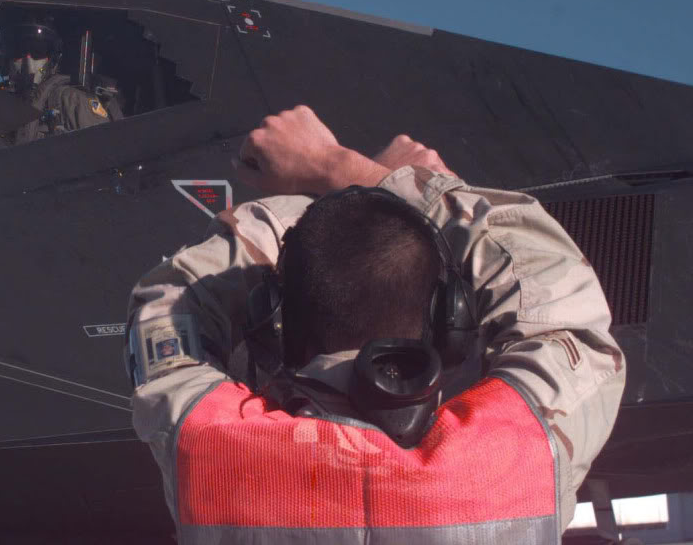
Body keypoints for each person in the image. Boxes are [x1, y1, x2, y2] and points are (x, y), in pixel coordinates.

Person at [126, 105, 625, 543]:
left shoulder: (211, 449)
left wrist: (298, 208)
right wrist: (349, 172)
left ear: (275, 311)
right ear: (445, 320)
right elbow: (557, 298)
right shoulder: (521, 455)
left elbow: (168, 304)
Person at [0, 14, 111, 144]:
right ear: (5, 60)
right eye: (18, 51)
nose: (29, 63)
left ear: (53, 60)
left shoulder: (72, 102)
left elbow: (106, 154)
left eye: (38, 52)